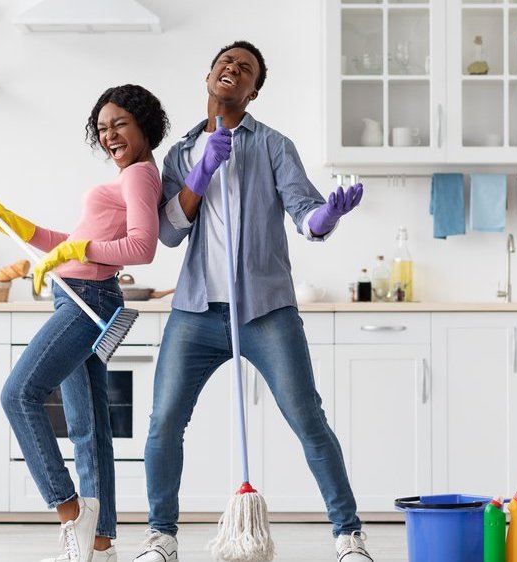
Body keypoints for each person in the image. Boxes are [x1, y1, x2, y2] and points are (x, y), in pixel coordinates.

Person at [133, 41, 371, 562]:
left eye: (244, 69)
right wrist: (199, 174)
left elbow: (305, 213)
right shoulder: (180, 153)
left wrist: (327, 217)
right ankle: (161, 538)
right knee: (164, 422)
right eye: (225, 63)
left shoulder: (273, 146)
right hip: (196, 312)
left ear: (253, 91)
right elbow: (170, 233)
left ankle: (348, 537)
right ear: (209, 75)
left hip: (265, 312)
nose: (232, 70)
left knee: (308, 419)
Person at [0, 84, 169, 562]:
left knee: (18, 394)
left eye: (120, 123)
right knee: (89, 425)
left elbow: (142, 247)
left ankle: (70, 513)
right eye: (102, 128)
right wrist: (19, 226)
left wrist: (77, 251)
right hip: (81, 295)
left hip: (88, 301)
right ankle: (99, 543)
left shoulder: (140, 176)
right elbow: (75, 239)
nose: (110, 135)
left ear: (143, 124)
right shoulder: (128, 178)